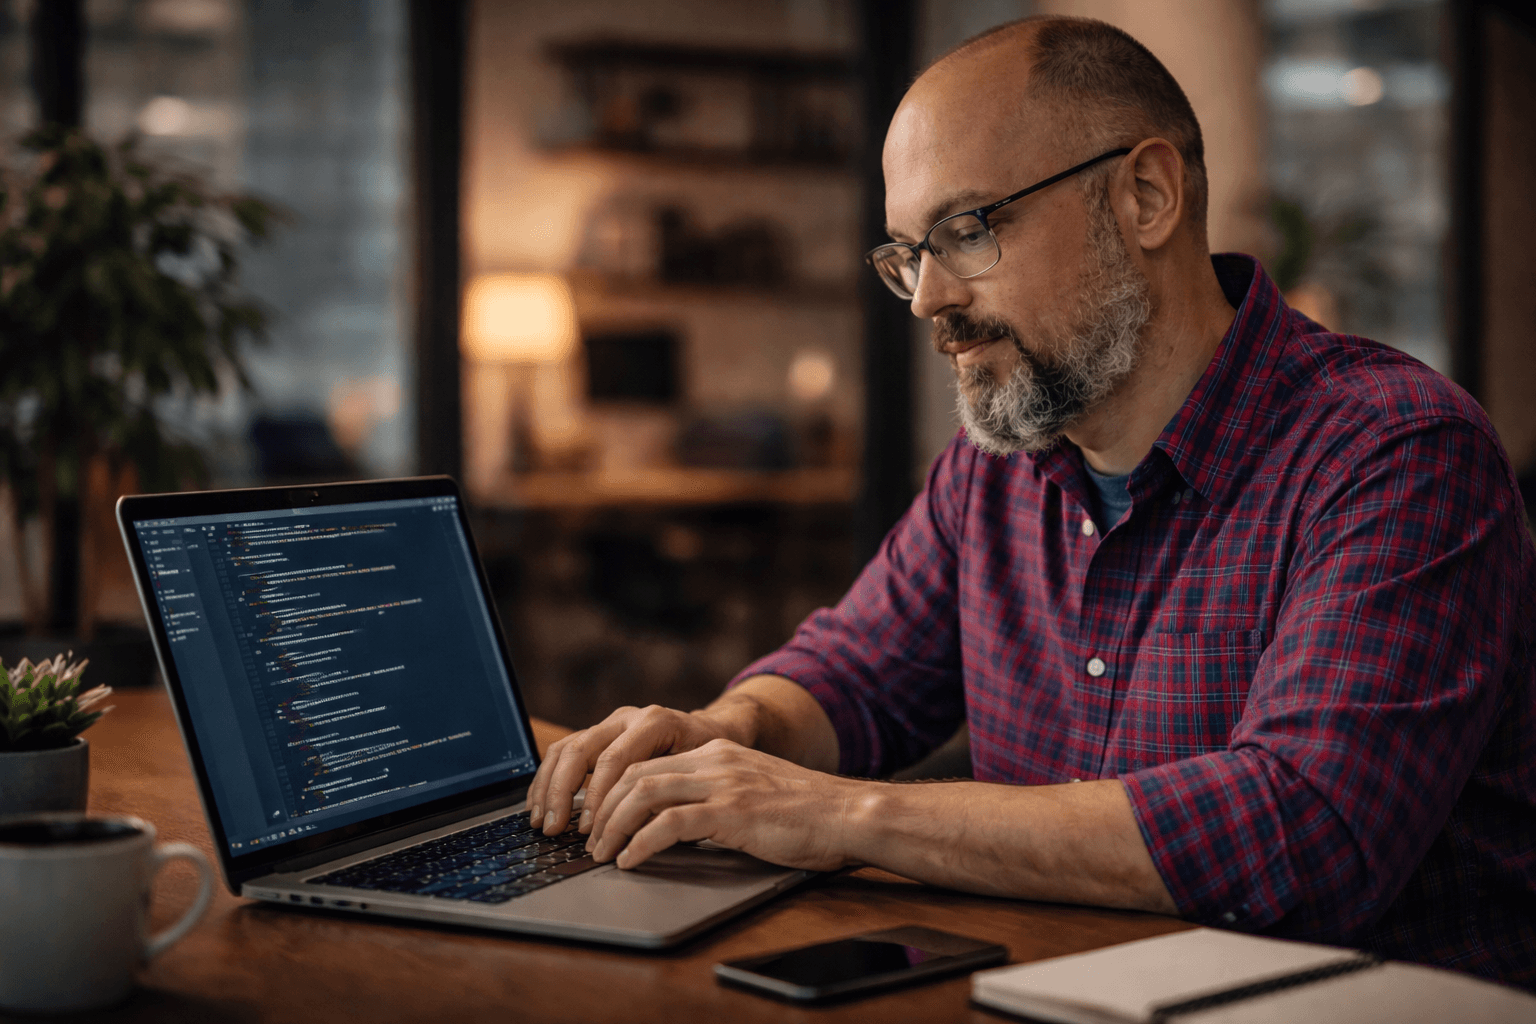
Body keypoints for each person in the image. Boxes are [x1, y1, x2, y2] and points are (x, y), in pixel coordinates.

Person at [528, 16, 1536, 985]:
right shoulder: (998, 467)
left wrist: (835, 814)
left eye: (966, 230)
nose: (929, 298)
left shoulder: (1395, 453)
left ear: (1145, 196)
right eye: (908, 254)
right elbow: (854, 677)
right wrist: (724, 734)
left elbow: (1304, 831)